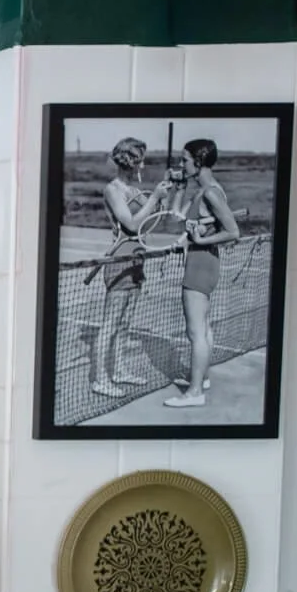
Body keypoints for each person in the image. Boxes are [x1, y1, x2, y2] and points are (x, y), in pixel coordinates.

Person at [88, 137, 170, 398]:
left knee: (125, 323)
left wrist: (160, 201)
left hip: (136, 260)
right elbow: (132, 225)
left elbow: (150, 220)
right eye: (140, 159)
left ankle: (120, 371)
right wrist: (154, 197)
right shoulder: (113, 190)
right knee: (110, 323)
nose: (143, 164)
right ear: (131, 162)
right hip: (120, 261)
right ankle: (100, 379)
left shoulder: (134, 190)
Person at [165, 137, 241, 409]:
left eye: (184, 160)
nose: (181, 164)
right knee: (203, 328)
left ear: (198, 161)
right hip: (203, 261)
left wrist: (198, 241)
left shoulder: (210, 192)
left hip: (201, 262)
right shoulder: (203, 189)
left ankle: (194, 392)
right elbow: (175, 217)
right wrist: (178, 187)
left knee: (195, 331)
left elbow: (233, 232)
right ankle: (202, 378)